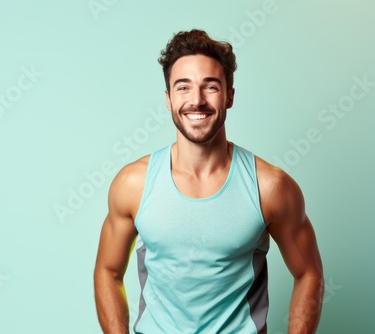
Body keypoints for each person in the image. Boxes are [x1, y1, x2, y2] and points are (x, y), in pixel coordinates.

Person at [93, 29, 324, 334]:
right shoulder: (133, 183)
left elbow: (309, 273)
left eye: (210, 87)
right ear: (168, 98)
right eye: (183, 87)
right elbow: (108, 271)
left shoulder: (270, 186)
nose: (196, 100)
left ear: (229, 95)